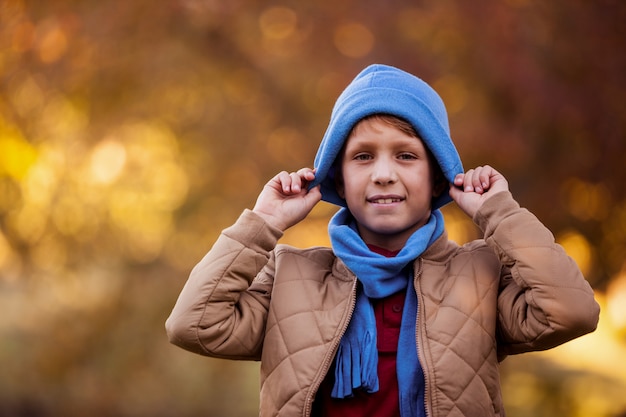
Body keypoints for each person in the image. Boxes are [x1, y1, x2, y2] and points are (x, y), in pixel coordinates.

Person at [165, 64, 600, 417]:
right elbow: (193, 325)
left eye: (406, 155)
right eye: (363, 156)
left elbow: (572, 312)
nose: (384, 173)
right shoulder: (291, 276)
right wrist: (262, 222)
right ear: (338, 177)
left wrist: (499, 213)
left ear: (437, 180)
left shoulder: (479, 274)